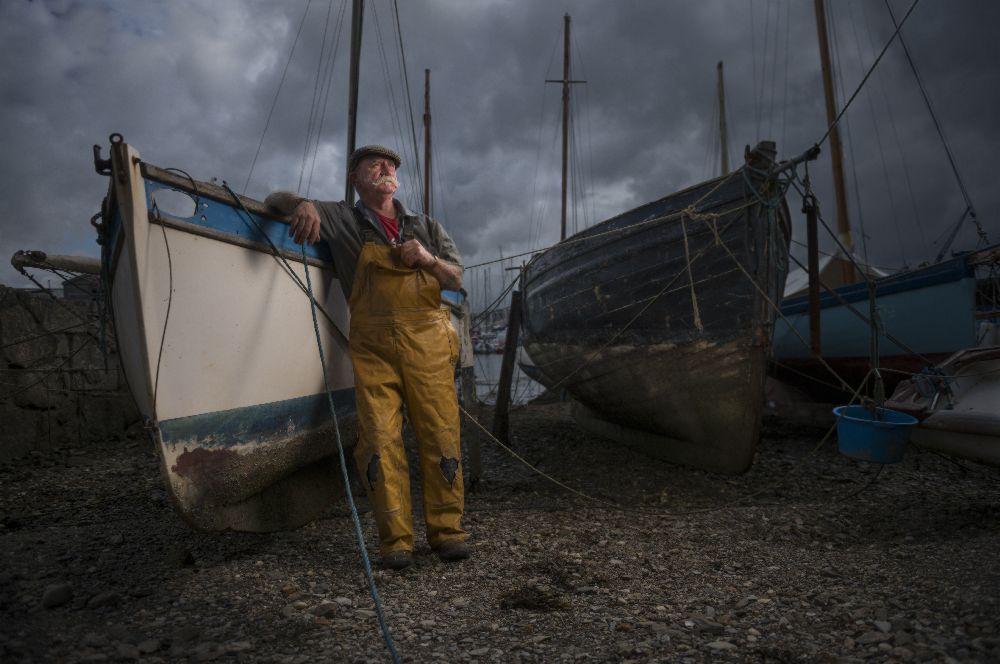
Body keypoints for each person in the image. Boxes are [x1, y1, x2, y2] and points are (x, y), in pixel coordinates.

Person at [265, 145, 469, 570]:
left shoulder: (425, 225)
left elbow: (456, 278)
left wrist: (428, 259)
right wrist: (301, 203)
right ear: (355, 178)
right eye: (374, 164)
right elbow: (274, 199)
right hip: (374, 346)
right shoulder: (342, 218)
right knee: (378, 439)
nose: (386, 168)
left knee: (441, 433)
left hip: (429, 340)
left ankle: (447, 533)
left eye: (391, 165)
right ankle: (396, 542)